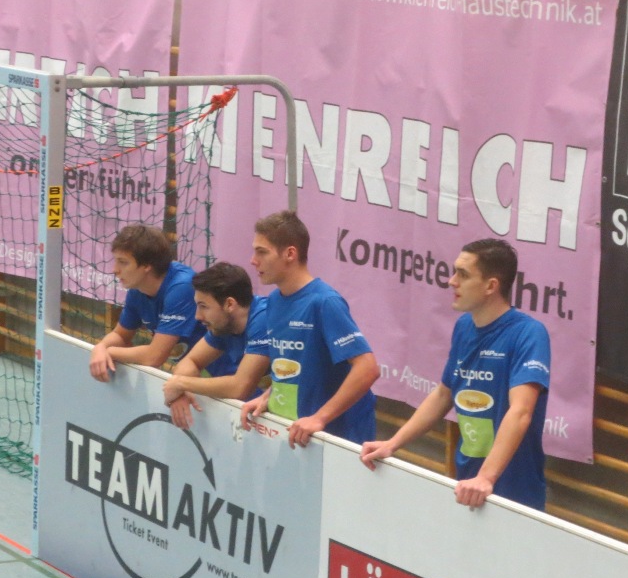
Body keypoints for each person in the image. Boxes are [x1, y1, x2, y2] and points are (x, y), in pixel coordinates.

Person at [360, 238, 551, 510]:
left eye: (463, 274)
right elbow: (443, 394)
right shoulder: (464, 327)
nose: (451, 281)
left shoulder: (529, 334)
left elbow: (520, 411)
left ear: (491, 286)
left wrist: (486, 477)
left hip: (513, 492)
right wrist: (393, 443)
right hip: (466, 484)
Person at [240, 210, 380, 448]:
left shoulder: (324, 302)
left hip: (337, 437)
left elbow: (368, 369)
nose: (253, 260)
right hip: (298, 434)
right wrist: (267, 396)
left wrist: (319, 418)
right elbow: (294, 367)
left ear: (290, 254)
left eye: (262, 252)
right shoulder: (274, 301)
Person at [161, 262, 271, 430]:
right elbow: (192, 361)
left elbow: (240, 387)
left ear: (229, 305)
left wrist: (181, 384)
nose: (197, 316)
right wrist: (179, 393)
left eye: (203, 306)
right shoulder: (223, 325)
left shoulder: (263, 319)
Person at [88, 224, 202, 381]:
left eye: (123, 262)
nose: (115, 269)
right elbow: (121, 335)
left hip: (222, 372)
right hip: (194, 372)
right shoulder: (138, 289)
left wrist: (109, 351)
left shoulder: (182, 287)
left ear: (147, 265)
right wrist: (100, 347)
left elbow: (154, 357)